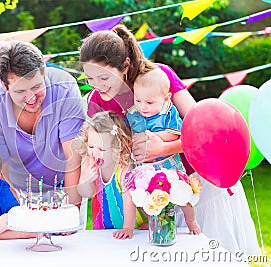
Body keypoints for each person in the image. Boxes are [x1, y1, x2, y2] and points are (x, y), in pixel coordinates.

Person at [79, 24, 260, 255]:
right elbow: (111, 157)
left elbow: (206, 132)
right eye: (90, 78)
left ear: (124, 65)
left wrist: (166, 146)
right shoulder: (98, 101)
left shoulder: (159, 77)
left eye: (103, 77)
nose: (96, 85)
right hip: (154, 195)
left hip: (195, 186)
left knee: (209, 253)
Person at [0, 40, 84, 206]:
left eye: (36, 87)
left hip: (66, 188)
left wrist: (71, 211)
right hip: (17, 190)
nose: (31, 98)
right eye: (20, 91)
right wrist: (18, 210)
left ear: (44, 74)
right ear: (5, 87)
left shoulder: (64, 88)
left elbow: (73, 156)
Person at [126, 68, 200, 235]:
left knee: (182, 194)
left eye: (149, 103)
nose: (142, 106)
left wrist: (151, 137)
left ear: (166, 98)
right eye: (138, 100)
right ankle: (153, 221)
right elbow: (130, 134)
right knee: (146, 196)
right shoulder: (134, 113)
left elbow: (174, 134)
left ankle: (191, 222)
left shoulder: (168, 112)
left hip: (168, 164)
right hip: (145, 167)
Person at [75, 111, 139, 239]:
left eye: (101, 149)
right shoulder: (88, 162)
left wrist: (127, 228)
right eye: (91, 146)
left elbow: (129, 201)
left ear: (117, 147)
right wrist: (86, 180)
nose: (94, 152)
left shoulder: (123, 168)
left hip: (129, 226)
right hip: (99, 228)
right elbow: (84, 193)